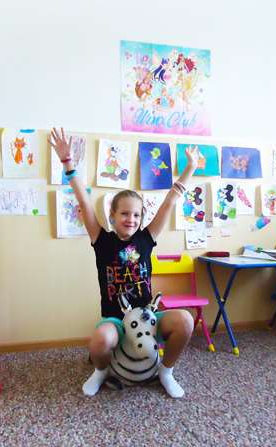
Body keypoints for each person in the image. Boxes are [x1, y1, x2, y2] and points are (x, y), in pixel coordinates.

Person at [49, 128, 199, 399]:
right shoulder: (101, 240)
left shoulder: (147, 238)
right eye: (125, 214)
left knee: (186, 321)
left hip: (147, 317)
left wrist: (191, 167)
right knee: (100, 341)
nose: (131, 219)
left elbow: (170, 201)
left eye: (136, 215)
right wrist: (67, 162)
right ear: (113, 215)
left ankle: (166, 372)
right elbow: (83, 200)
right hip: (116, 319)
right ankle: (101, 371)